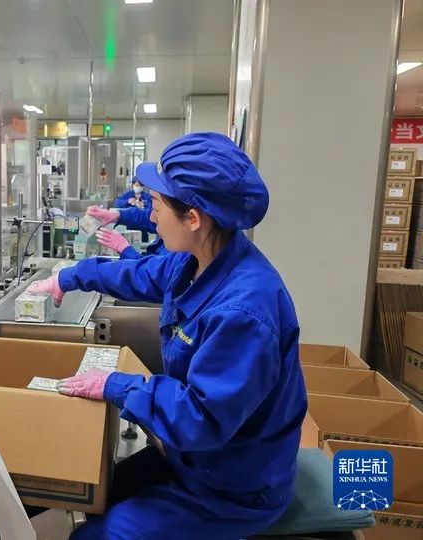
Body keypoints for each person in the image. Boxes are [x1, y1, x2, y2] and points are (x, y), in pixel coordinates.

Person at [28, 132, 307, 540]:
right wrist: (68, 278)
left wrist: (116, 385)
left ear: (193, 218)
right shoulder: (198, 259)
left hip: (232, 486)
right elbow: (138, 274)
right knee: (89, 490)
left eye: (156, 206)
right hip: (195, 458)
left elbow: (200, 418)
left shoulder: (243, 313)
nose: (151, 217)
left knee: (94, 536)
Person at [89, 205, 167, 260]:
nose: (152, 218)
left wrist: (125, 250)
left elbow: (151, 272)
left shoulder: (172, 253)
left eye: (157, 210)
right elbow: (147, 218)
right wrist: (118, 215)